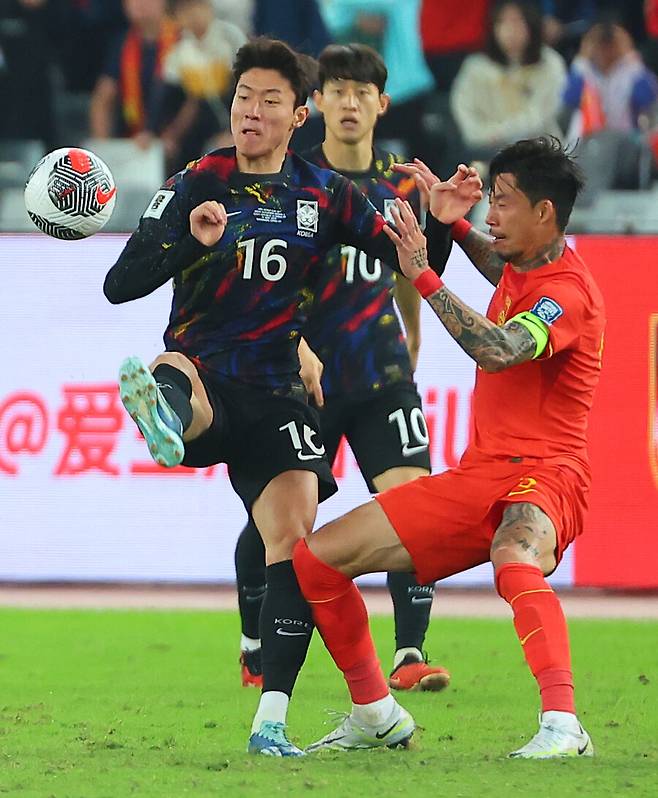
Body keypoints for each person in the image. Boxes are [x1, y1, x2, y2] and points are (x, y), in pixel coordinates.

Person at [103, 37, 465, 756]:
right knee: (176, 364)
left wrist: (444, 222)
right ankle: (166, 418)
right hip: (209, 374)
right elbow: (121, 282)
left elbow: (402, 251)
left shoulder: (323, 192)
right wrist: (186, 245)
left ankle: (270, 720)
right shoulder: (195, 180)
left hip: (278, 392)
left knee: (295, 551)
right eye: (243, 98)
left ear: (301, 114)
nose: (252, 112)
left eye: (270, 101)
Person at [292, 136, 604, 758]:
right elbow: (500, 267)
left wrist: (424, 274)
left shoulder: (569, 293)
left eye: (503, 202)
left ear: (545, 213)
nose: (493, 213)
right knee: (318, 560)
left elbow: (499, 347)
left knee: (514, 555)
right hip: (479, 474)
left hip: (549, 474)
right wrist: (452, 221)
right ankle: (375, 712)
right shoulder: (529, 267)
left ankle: (564, 725)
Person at [234, 43, 450, 695]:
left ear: (382, 104)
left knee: (414, 506)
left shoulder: (406, 185)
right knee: (280, 521)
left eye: (363, 92)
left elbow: (411, 266)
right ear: (316, 104)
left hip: (382, 371)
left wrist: (411, 328)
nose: (350, 102)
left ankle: (410, 653)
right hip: (307, 382)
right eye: (337, 90)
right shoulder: (292, 182)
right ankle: (252, 644)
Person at [450, 1, 566, 165]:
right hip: (486, 155)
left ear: (531, 24)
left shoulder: (550, 64)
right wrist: (489, 136)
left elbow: (541, 115)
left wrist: (503, 133)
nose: (510, 31)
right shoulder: (475, 68)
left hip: (541, 155)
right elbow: (465, 116)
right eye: (502, 22)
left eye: (517, 22)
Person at [89, 0, 178, 145]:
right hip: (134, 140)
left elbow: (195, 100)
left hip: (178, 141)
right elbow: (102, 99)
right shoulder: (123, 43)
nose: (137, 3)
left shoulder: (182, 38)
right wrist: (102, 148)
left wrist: (174, 134)